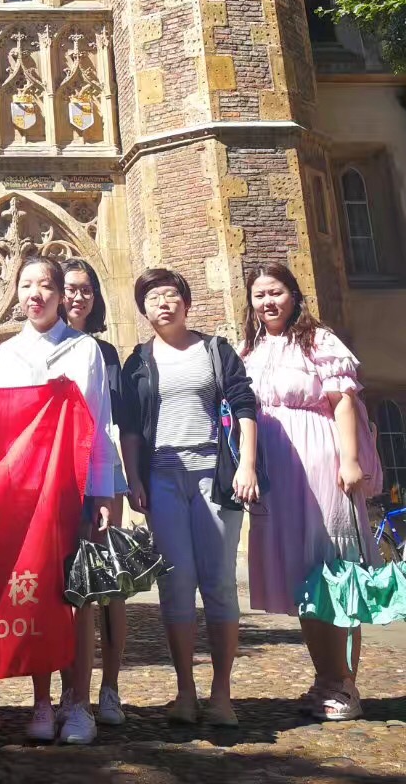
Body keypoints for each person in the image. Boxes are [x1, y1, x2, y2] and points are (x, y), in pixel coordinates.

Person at [241, 262, 381, 721]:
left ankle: (345, 684)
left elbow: (343, 403)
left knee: (333, 572)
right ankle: (324, 677)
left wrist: (350, 460)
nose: (268, 302)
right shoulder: (251, 349)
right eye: (260, 295)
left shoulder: (319, 341)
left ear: (294, 295)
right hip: (278, 472)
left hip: (321, 460)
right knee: (305, 579)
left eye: (276, 292)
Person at [120, 267, 259, 728]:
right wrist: (134, 479)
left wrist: (247, 464)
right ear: (143, 310)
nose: (163, 303)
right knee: (176, 583)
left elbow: (244, 405)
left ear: (186, 302)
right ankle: (185, 691)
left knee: (218, 582)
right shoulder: (138, 361)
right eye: (153, 298)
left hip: (213, 477)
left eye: (171, 295)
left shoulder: (215, 350)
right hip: (162, 478)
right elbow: (131, 428)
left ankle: (221, 694)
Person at [0, 254, 116, 746]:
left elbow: (100, 423)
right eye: (26, 285)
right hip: (25, 493)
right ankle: (42, 701)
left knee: (79, 598)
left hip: (74, 488)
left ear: (61, 295)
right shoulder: (4, 357)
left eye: (45, 285)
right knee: (38, 596)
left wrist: (103, 489)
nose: (35, 294)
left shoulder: (85, 350)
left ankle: (78, 702)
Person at [61, 258, 132, 728]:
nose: (77, 297)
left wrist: (120, 481)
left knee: (108, 582)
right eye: (70, 288)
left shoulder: (104, 353)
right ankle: (71, 688)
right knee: (68, 585)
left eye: (86, 289)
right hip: (60, 477)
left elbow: (116, 421)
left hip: (101, 475)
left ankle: (110, 686)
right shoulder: (43, 346)